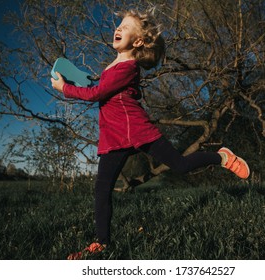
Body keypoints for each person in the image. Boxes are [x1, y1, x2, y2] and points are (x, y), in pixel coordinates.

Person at [51, 9, 250, 260]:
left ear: (138, 42)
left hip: (138, 130)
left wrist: (64, 88)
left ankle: (222, 158)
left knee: (181, 165)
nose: (119, 28)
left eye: (126, 26)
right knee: (102, 191)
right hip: (114, 138)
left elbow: (96, 94)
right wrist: (83, 79)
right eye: (119, 24)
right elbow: (99, 87)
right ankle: (101, 243)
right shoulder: (113, 65)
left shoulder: (128, 67)